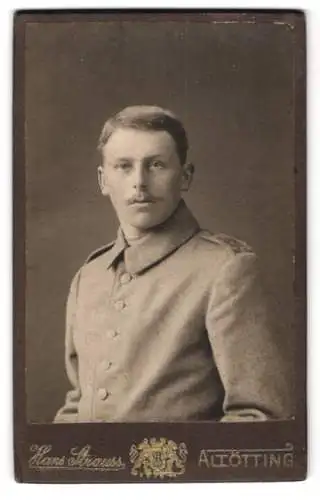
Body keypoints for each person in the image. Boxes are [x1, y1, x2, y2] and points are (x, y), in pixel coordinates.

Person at [54, 105, 290, 423]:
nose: (139, 182)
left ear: (185, 176)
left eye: (157, 165)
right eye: (123, 166)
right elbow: (77, 405)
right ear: (103, 180)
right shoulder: (89, 276)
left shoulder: (225, 269)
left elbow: (259, 416)